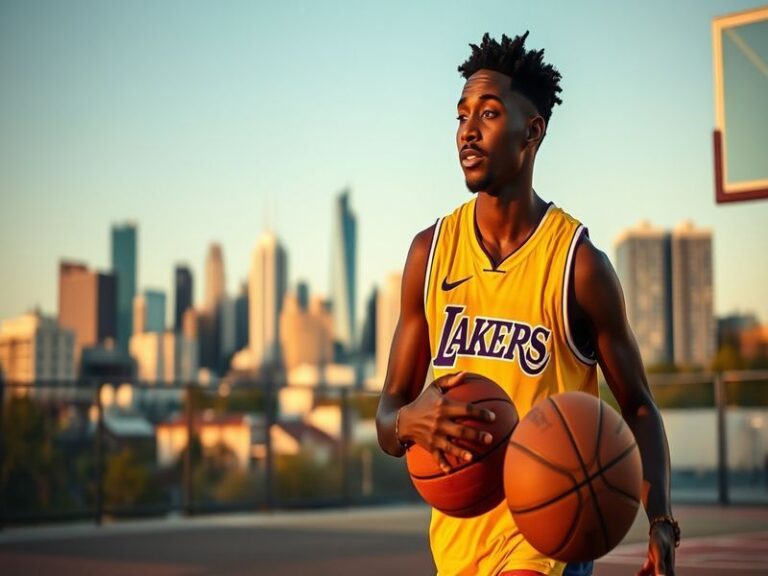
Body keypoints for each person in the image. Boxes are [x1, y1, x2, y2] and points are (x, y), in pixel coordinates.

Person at [376, 32, 679, 576]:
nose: (468, 131)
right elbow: (387, 415)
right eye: (462, 115)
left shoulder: (577, 265)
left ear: (532, 131)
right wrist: (408, 422)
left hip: (549, 533)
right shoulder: (430, 252)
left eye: (488, 114)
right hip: (457, 539)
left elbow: (638, 405)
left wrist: (660, 519)